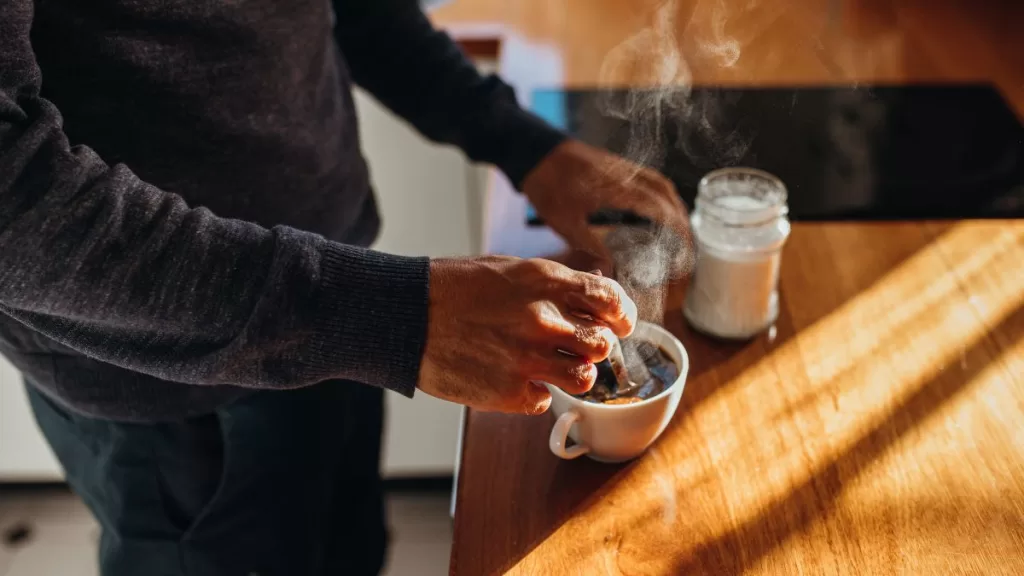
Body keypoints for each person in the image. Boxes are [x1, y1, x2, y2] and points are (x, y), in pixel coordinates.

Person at [0, 0, 689, 574]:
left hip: (343, 300)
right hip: (167, 383)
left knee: (347, 554)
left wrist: (520, 143)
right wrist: (394, 316)